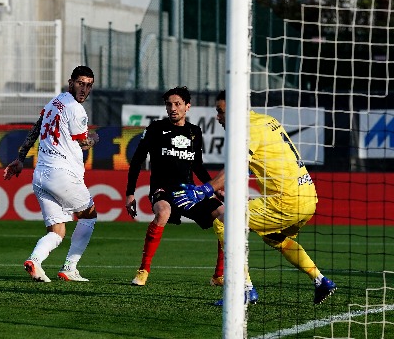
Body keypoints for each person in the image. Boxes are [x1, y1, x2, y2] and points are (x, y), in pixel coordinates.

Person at [173, 90, 337, 305]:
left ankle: (244, 290)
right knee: (274, 237)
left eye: (221, 112)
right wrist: (221, 189)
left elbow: (235, 167)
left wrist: (203, 190)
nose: (218, 117)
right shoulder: (267, 121)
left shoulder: (246, 130)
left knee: (224, 223)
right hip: (307, 196)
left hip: (285, 201)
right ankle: (321, 280)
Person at [3, 66, 99, 282]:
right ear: (70, 82)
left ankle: (35, 261)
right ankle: (70, 267)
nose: (84, 89)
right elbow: (84, 142)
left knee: (57, 231)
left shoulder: (55, 102)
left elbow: (36, 128)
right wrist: (95, 138)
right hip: (61, 173)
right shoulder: (76, 109)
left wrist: (20, 158)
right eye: (80, 83)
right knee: (89, 215)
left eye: (88, 85)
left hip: (41, 175)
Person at [124, 86, 226, 287]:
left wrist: (214, 187)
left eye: (177, 104)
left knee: (225, 214)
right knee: (162, 212)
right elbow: (137, 160)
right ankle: (143, 270)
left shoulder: (194, 132)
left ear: (187, 106)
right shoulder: (155, 129)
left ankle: (218, 275)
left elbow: (197, 165)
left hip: (188, 192)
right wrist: (130, 193)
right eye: (169, 104)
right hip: (163, 190)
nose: (173, 108)